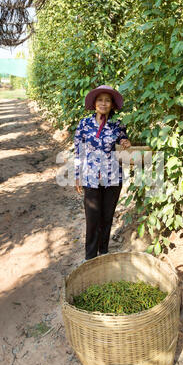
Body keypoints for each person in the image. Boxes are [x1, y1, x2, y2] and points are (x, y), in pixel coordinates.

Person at [74, 85, 131, 261]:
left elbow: (123, 139)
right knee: (92, 219)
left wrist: (125, 141)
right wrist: (77, 175)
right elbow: (78, 149)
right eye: (100, 100)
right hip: (91, 178)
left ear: (112, 105)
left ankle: (103, 253)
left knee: (107, 218)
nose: (103, 103)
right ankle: (90, 258)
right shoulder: (84, 123)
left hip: (112, 178)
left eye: (107, 100)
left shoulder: (117, 124)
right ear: (95, 103)